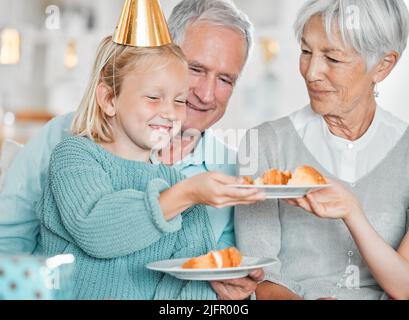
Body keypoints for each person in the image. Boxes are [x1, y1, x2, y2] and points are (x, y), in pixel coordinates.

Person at [0, 0, 263, 300]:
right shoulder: (70, 148)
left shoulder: (224, 174)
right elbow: (89, 228)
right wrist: (186, 194)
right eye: (195, 69)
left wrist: (236, 297)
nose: (203, 94)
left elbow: (188, 283)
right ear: (110, 99)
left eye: (225, 79)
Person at [235, 0, 409, 300]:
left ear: (383, 65)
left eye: (333, 58)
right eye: (306, 52)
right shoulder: (265, 143)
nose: (312, 72)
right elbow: (261, 279)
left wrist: (352, 211)